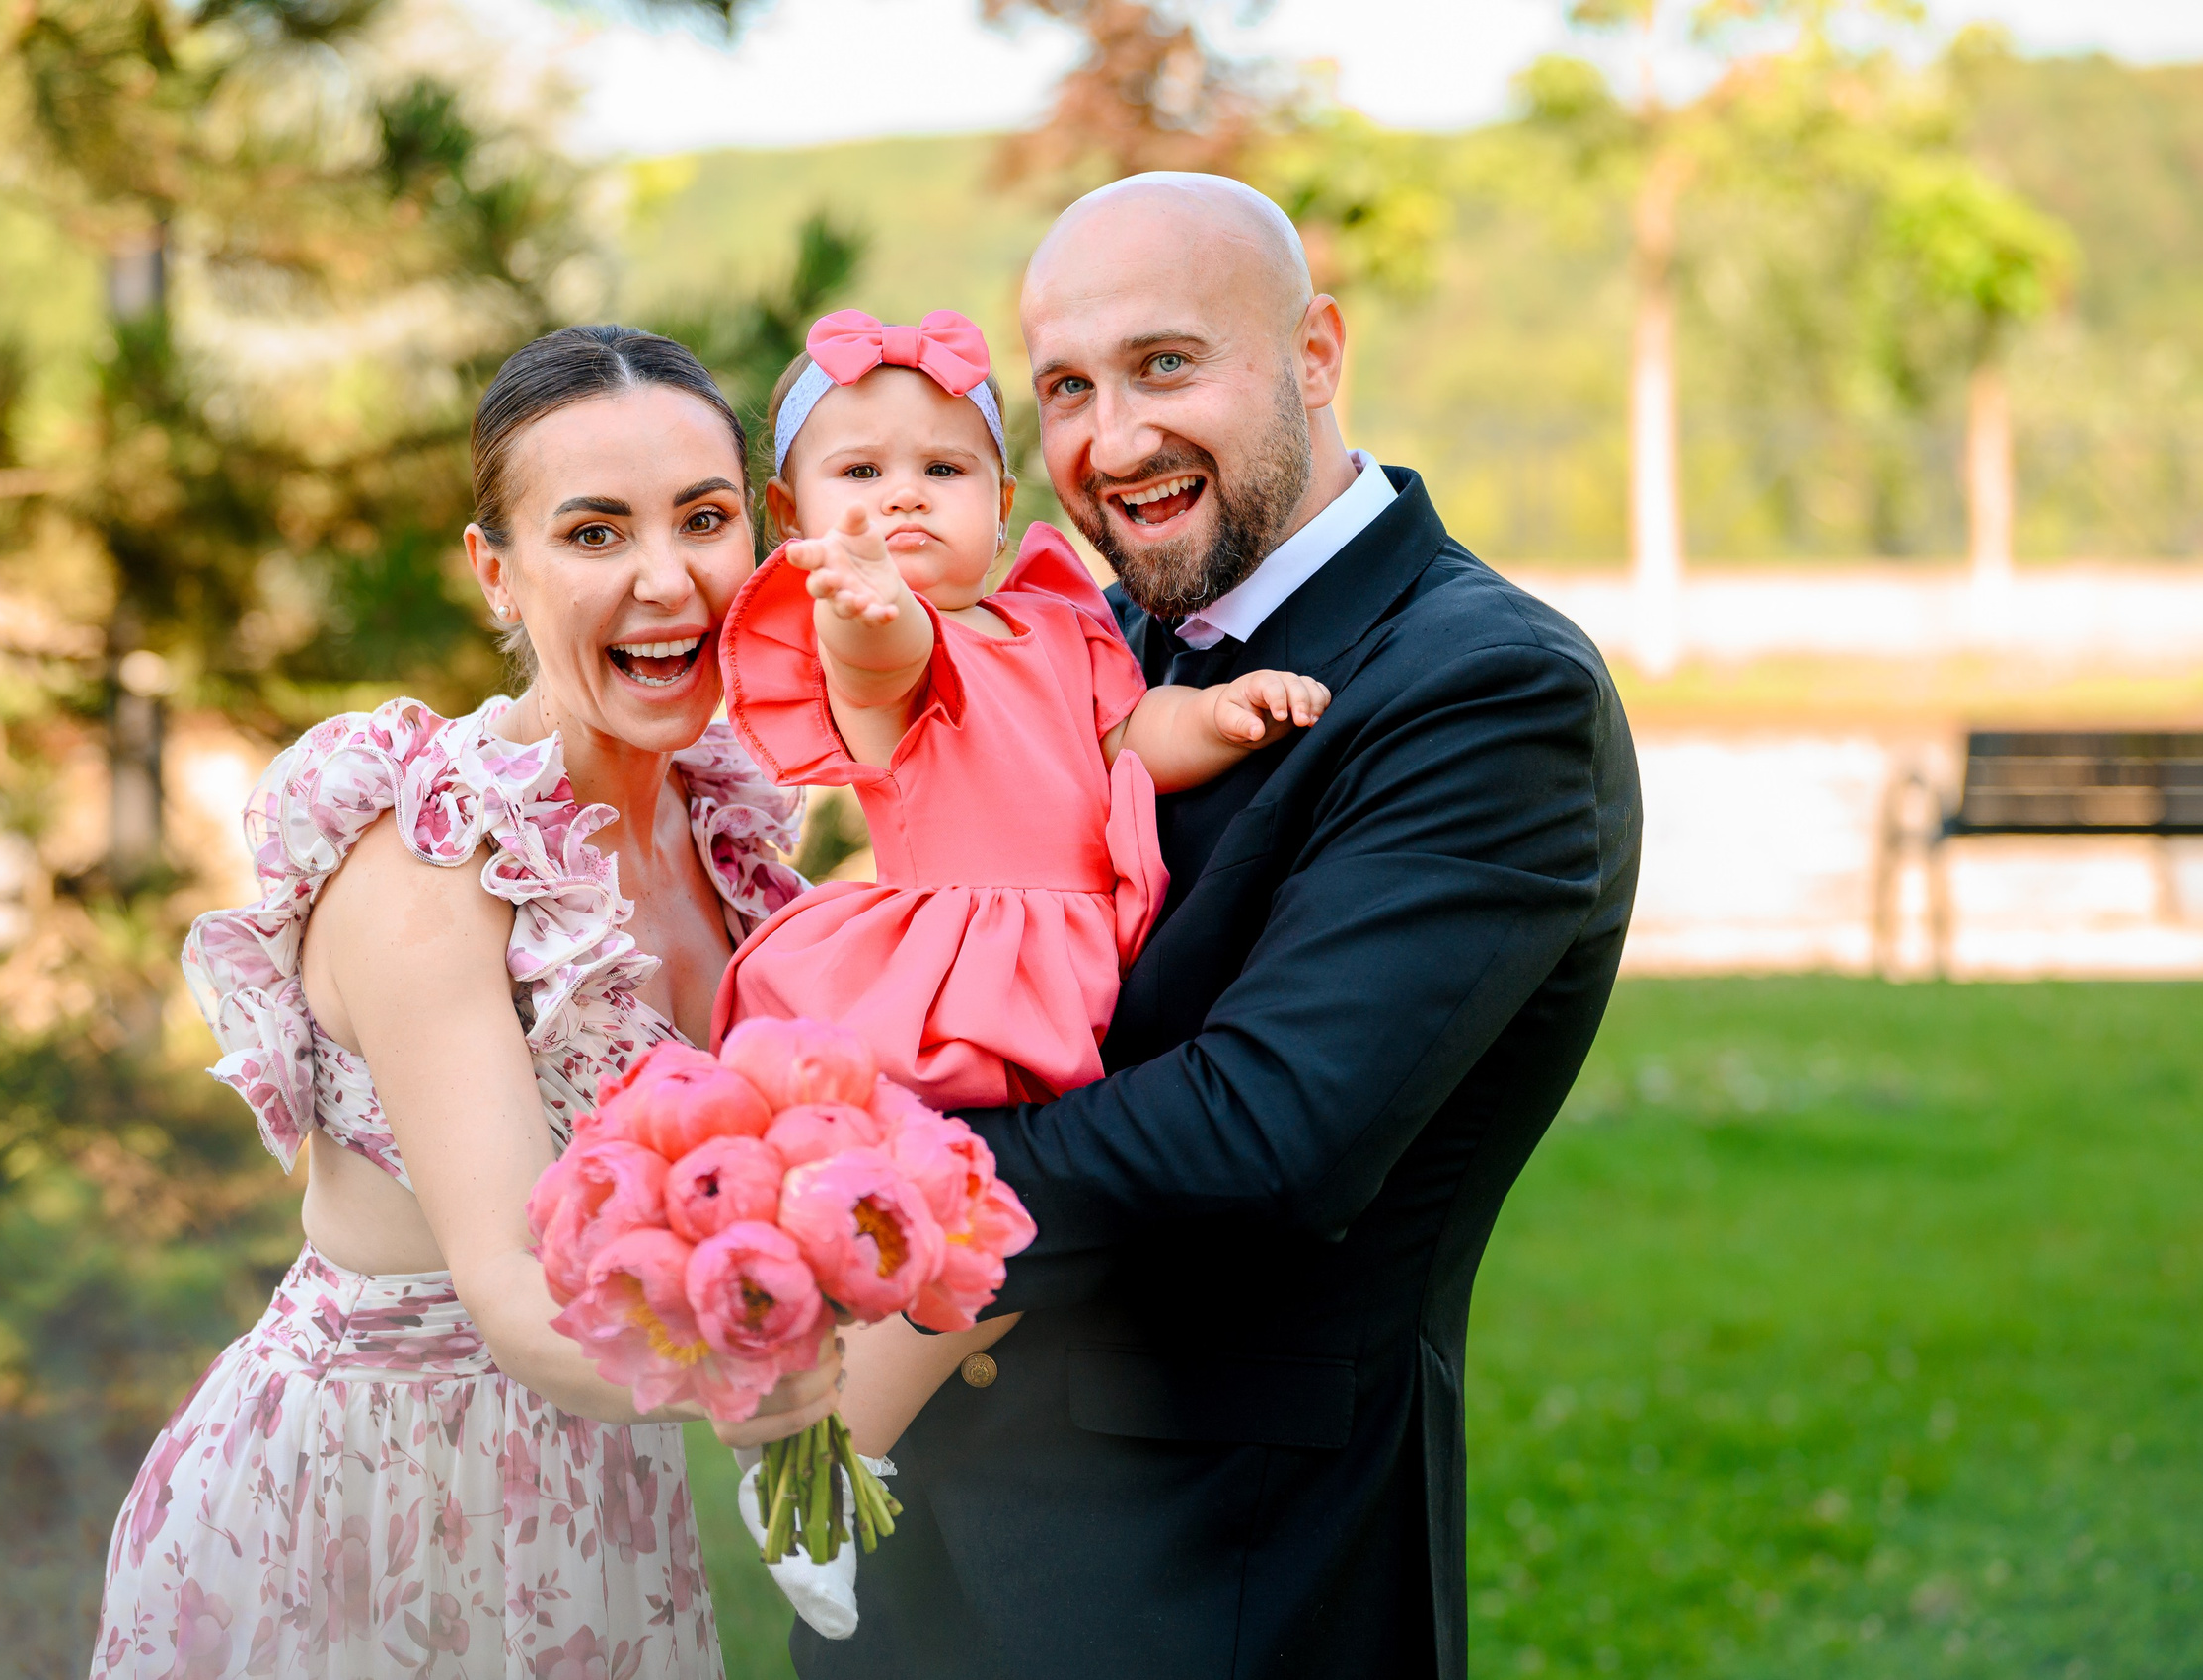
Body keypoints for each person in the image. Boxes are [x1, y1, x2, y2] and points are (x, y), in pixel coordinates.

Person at [792, 175, 1644, 1679]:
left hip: (1211, 1575)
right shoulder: (1075, 636)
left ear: (1317, 353)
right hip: (920, 1558)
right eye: (1065, 386)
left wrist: (869, 1194)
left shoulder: (1484, 687)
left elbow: (1270, 1131)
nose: (1112, 442)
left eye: (1167, 364)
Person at [89, 326, 841, 1680]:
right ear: (497, 570)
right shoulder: (434, 868)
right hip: (380, 1505)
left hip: (597, 1481)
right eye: (595, 532)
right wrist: (782, 1366)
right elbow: (511, 1287)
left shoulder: (726, 826)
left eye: (705, 519)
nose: (667, 581)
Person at [708, 308, 1330, 1460]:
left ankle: (836, 1433)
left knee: (1013, 1216)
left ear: (999, 504)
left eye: (942, 470)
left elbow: (1128, 732)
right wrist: (871, 611)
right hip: (958, 966)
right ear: (791, 517)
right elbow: (880, 669)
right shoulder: (884, 638)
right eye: (860, 473)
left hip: (1070, 949)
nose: (902, 498)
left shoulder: (1054, 622)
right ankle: (829, 1440)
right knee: (963, 1197)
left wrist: (1220, 716)